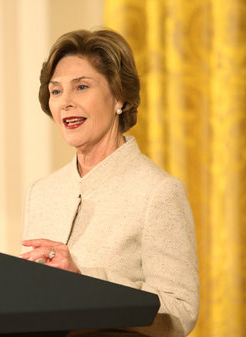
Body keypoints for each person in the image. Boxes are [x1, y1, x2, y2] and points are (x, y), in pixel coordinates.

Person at [19, 29, 199, 337]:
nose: (66, 103)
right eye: (56, 91)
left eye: (82, 87)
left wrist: (82, 279)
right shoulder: (42, 192)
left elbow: (181, 312)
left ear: (119, 97)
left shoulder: (158, 191)